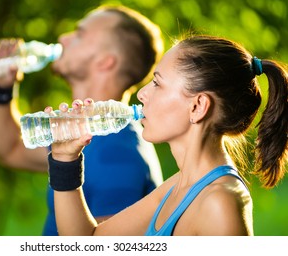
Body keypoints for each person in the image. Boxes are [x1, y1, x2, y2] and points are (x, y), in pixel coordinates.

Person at [46, 35, 288, 236]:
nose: (141, 94)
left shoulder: (220, 203)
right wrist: (65, 159)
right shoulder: (178, 186)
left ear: (198, 107)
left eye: (157, 84)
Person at [0, 5, 165, 235]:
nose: (63, 38)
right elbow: (9, 149)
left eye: (79, 34)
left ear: (105, 61)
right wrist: (1, 89)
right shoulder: (86, 133)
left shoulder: (117, 153)